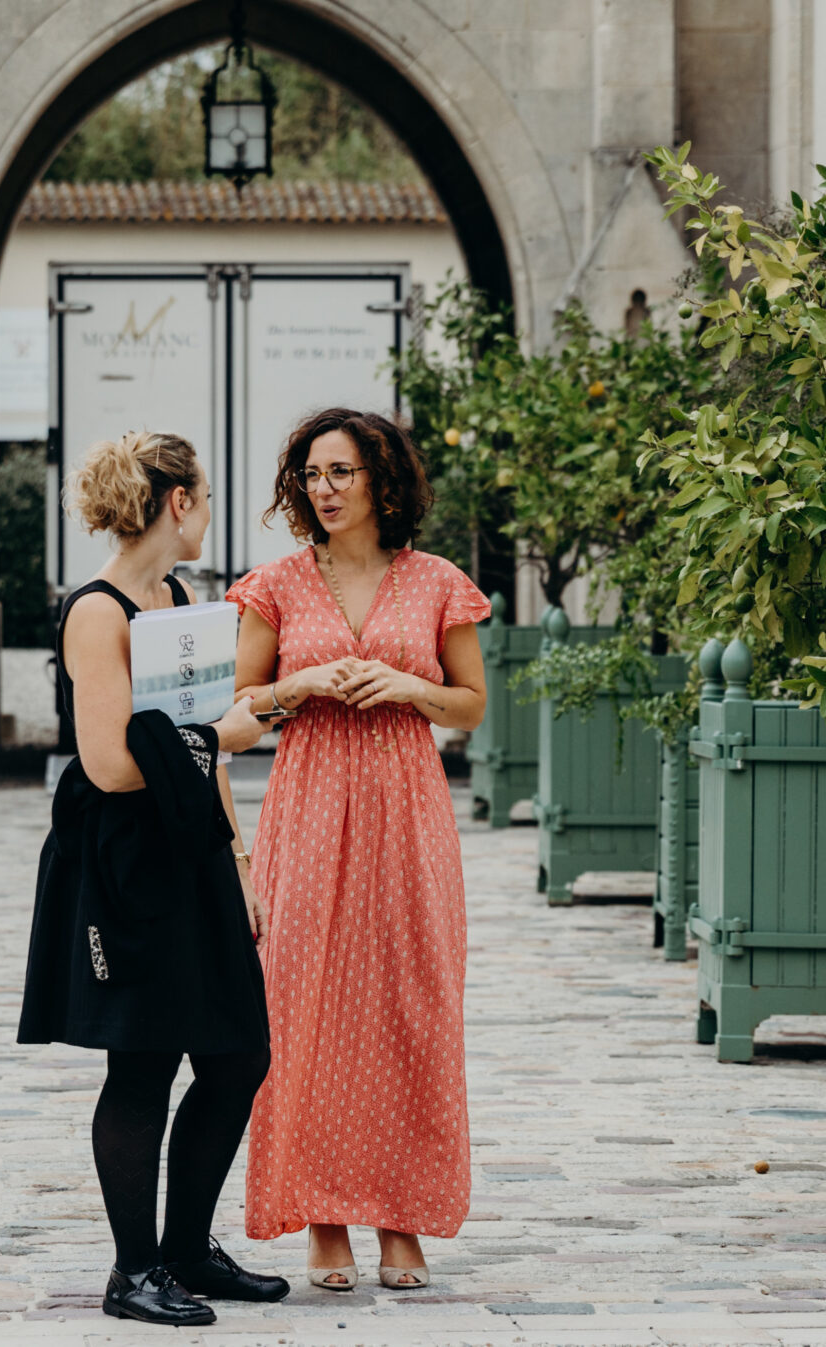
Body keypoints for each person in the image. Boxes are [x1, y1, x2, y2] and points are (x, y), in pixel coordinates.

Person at [17, 431, 291, 1327]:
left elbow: (185, 732)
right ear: (177, 502)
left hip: (194, 849)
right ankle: (134, 1271)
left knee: (238, 1050)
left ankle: (185, 1251)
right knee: (141, 1064)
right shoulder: (95, 611)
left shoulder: (174, 596)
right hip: (126, 861)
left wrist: (239, 856)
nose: (210, 511)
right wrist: (226, 734)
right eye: (205, 495)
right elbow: (108, 764)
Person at [226, 407, 490, 1293]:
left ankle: (403, 1218)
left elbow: (471, 705)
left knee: (409, 1007)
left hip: (407, 814)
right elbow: (238, 712)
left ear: (381, 478)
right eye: (310, 474)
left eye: (340, 472)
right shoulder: (274, 585)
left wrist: (412, 685)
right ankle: (324, 1216)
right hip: (306, 809)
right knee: (302, 1007)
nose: (323, 489)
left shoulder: (439, 582)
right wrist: (297, 683)